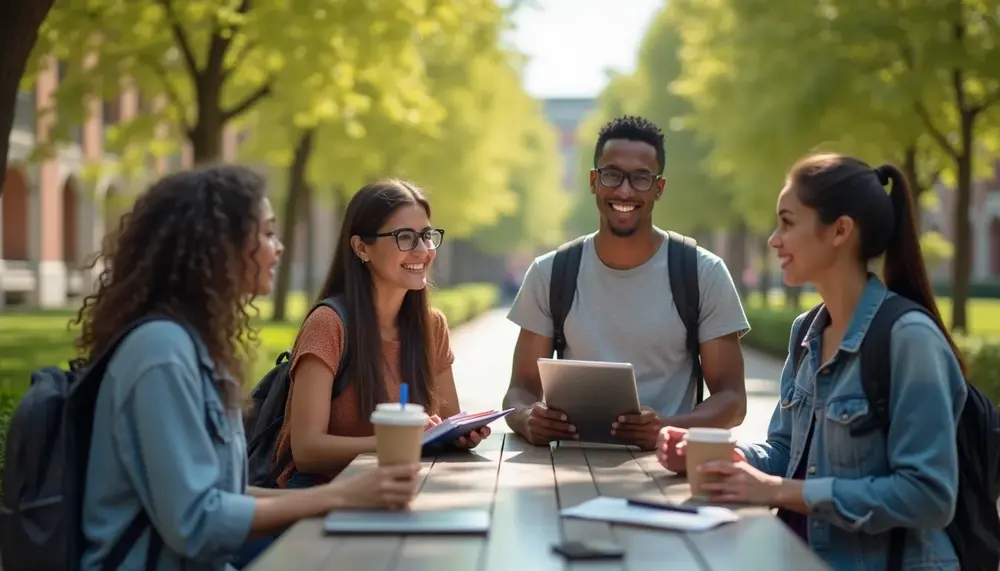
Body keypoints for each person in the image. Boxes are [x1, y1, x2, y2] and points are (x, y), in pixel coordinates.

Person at [77, 166, 422, 571]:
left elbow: (226, 496)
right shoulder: (160, 353)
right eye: (266, 233)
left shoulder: (192, 346)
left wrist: (347, 497)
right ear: (218, 246)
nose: (278, 247)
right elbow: (196, 522)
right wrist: (340, 497)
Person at [656, 154, 967, 570]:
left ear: (840, 230)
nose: (773, 239)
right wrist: (718, 458)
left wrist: (779, 491)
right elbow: (787, 450)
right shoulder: (806, 333)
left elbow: (929, 497)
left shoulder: (910, 339)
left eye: (787, 222)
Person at [503, 115, 750, 451]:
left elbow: (733, 400)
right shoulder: (550, 273)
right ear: (593, 181)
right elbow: (519, 390)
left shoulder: (702, 272)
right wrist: (527, 418)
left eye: (640, 178)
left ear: (659, 188)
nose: (624, 190)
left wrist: (666, 427)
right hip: (566, 472)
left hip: (666, 470)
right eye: (612, 175)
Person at [273, 179, 490, 490]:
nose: (423, 251)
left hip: (400, 492)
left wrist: (458, 437)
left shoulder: (433, 327)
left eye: (427, 236)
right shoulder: (328, 324)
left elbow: (445, 422)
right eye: (405, 237)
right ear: (362, 248)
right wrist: (398, 442)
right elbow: (306, 451)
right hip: (323, 501)